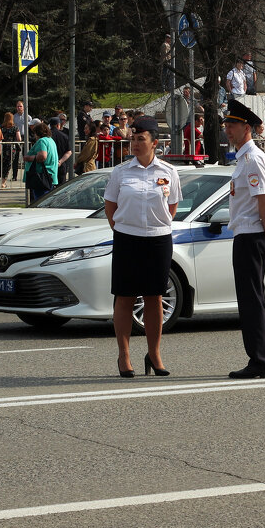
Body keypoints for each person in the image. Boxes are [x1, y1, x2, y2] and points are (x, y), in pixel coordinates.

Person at [103, 126, 181, 378]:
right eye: (133, 139)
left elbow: (172, 207)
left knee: (154, 297)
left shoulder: (168, 172)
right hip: (127, 239)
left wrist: (154, 226)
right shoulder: (121, 172)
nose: (135, 144)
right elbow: (110, 207)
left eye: (141, 139)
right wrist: (126, 228)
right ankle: (124, 354)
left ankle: (154, 353)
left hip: (158, 240)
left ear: (154, 143)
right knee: (125, 297)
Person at [222, 100, 265, 379]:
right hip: (248, 234)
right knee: (255, 299)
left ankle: (260, 361)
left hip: (250, 236)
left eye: (232, 125)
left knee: (250, 302)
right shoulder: (244, 158)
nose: (227, 129)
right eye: (226, 124)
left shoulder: (252, 158)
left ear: (246, 128)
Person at [23, 122, 58, 202]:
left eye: (35, 133)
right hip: (50, 175)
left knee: (40, 200)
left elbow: (42, 156)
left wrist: (28, 158)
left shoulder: (42, 141)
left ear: (38, 133)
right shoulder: (50, 141)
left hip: (41, 177)